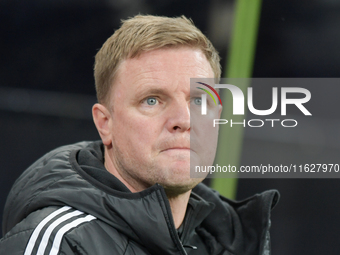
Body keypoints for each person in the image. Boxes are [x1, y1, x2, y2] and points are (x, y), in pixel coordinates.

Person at [0, 15, 279, 255]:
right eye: (152, 100)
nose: (183, 121)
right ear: (105, 123)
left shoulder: (226, 243)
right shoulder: (59, 244)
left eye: (198, 101)